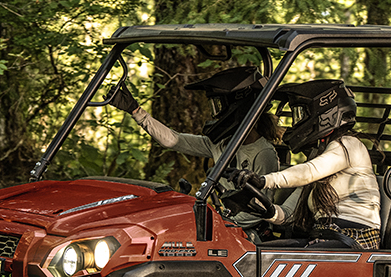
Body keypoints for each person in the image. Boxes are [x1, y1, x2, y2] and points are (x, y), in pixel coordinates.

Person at [106, 66, 280, 231]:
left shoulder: (264, 153)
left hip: (247, 233)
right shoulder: (222, 144)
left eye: (219, 106)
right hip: (224, 224)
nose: (216, 114)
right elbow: (174, 140)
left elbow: (262, 209)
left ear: (237, 106)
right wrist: (136, 112)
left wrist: (222, 222)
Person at [233, 79, 381, 250]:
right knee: (260, 253)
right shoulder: (321, 160)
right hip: (325, 238)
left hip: (356, 239)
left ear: (325, 113)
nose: (296, 123)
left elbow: (309, 172)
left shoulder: (349, 145)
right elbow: (287, 215)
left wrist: (264, 180)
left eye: (300, 115)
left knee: (283, 258)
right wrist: (260, 207)